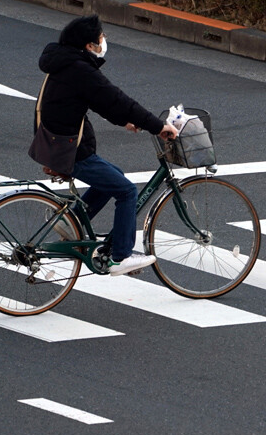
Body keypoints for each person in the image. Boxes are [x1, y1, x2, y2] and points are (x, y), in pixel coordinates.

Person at [37, 14, 179, 276]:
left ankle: (73, 224)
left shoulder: (65, 62)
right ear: (89, 45)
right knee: (126, 191)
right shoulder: (80, 69)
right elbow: (117, 100)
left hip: (58, 142)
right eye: (100, 37)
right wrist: (158, 127)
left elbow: (99, 101)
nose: (104, 41)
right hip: (71, 149)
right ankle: (120, 257)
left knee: (114, 178)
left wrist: (125, 120)